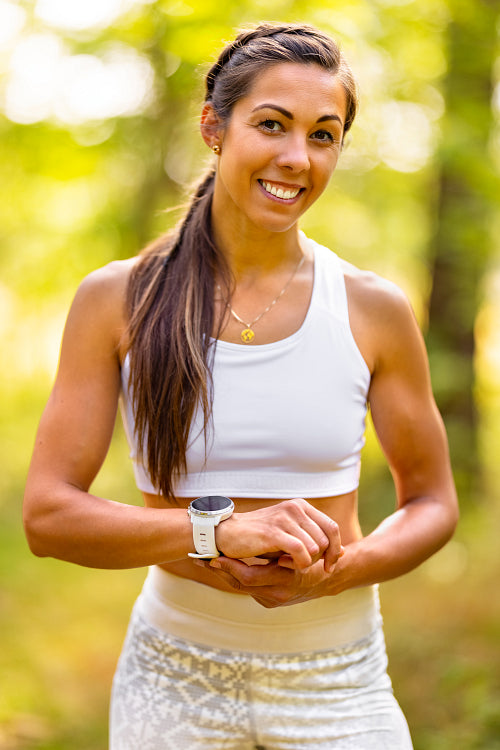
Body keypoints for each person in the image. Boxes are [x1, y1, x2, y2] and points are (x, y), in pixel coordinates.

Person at [23, 22, 459, 750]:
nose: (297, 157)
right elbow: (48, 516)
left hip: (338, 677)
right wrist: (214, 530)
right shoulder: (117, 300)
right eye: (271, 124)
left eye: (324, 135)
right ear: (213, 127)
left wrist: (340, 570)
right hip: (174, 675)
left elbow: (433, 502)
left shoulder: (370, 307)